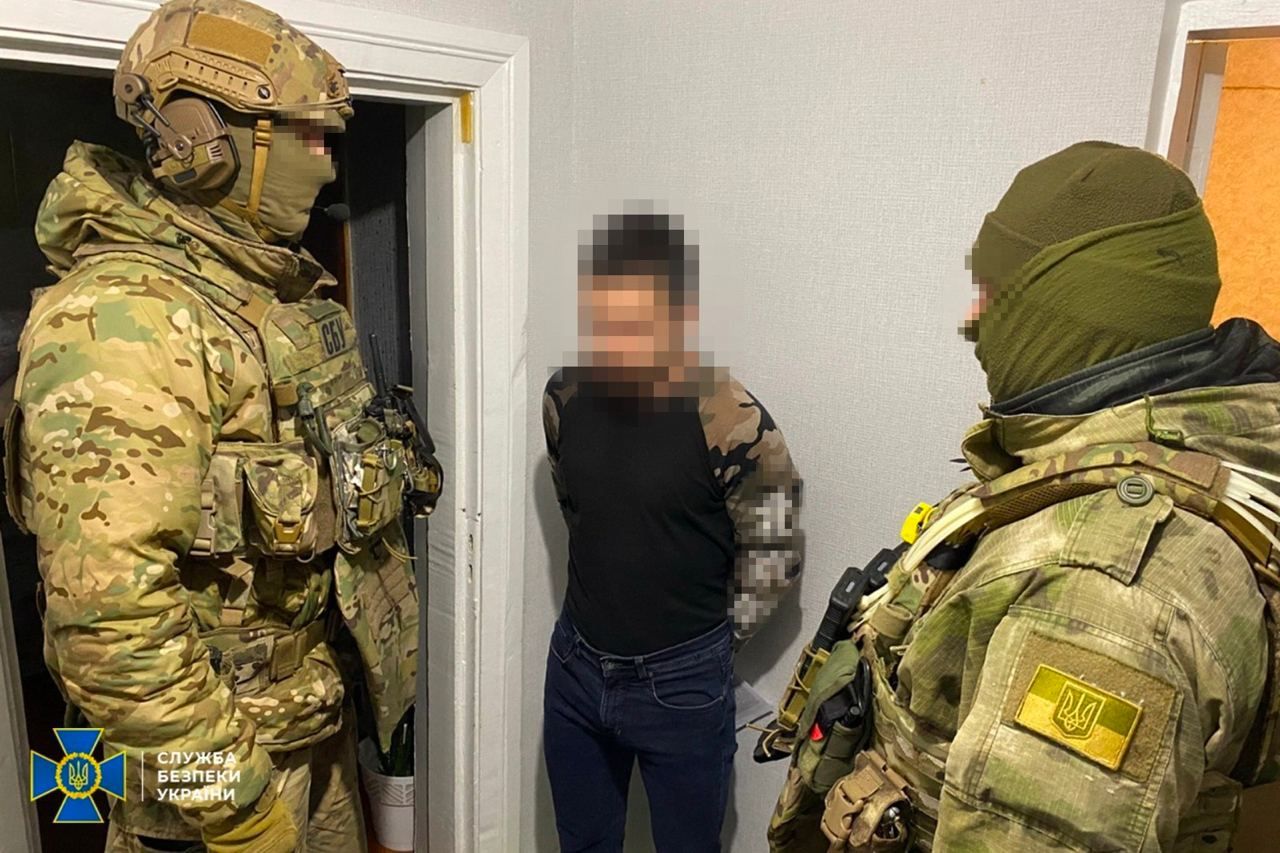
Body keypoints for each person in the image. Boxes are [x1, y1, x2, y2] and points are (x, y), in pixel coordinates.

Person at [4, 1, 438, 850]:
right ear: (206, 141)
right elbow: (110, 624)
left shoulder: (262, 298)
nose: (326, 165)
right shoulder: (124, 318)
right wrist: (238, 810)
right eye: (308, 136)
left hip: (305, 723)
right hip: (208, 781)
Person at [767, 141, 1280, 852]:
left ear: (1072, 309)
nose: (972, 322)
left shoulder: (1101, 586)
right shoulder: (1142, 460)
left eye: (995, 291)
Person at [541, 207, 803, 852]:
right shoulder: (565, 394)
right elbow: (577, 508)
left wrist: (709, 647)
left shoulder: (730, 416)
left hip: (681, 683)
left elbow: (775, 551)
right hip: (575, 665)